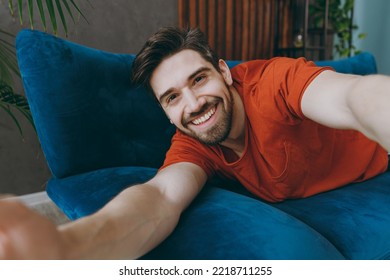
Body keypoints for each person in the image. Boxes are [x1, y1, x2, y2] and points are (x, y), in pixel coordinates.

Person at [0, 26, 389, 259]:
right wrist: (65, 247)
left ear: (225, 72)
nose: (193, 103)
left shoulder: (273, 84)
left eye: (199, 79)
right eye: (172, 97)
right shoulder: (194, 144)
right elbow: (158, 201)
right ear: (166, 112)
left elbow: (353, 98)